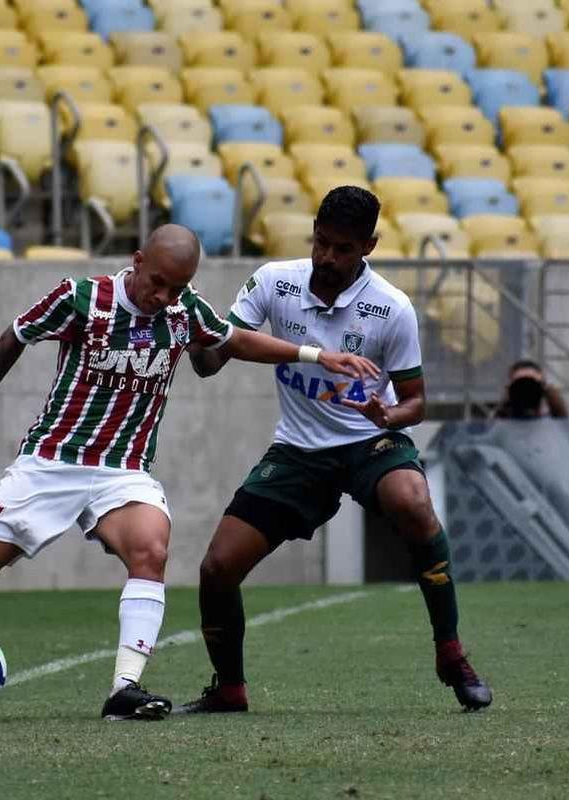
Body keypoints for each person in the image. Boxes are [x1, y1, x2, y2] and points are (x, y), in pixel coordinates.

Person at [0, 224, 378, 724]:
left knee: (152, 549)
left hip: (122, 471)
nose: (164, 297)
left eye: (177, 288)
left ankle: (124, 689)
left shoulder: (185, 311)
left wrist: (316, 355)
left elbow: (234, 341)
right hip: (53, 461)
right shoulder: (81, 298)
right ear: (138, 262)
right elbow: (16, 334)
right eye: (158, 283)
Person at [175, 186, 492, 715]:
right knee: (217, 569)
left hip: (371, 440)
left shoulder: (392, 308)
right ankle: (230, 690)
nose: (327, 257)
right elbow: (213, 360)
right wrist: (194, 335)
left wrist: (386, 416)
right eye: (321, 242)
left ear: (368, 245)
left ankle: (451, 653)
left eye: (342, 248)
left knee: (414, 503)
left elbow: (414, 403)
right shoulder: (276, 282)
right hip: (299, 451)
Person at [493, 359, 569, 419]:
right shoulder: (505, 426)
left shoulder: (552, 422)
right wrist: (505, 402)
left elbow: (566, 427)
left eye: (532, 383)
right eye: (520, 385)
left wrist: (552, 395)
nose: (527, 390)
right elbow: (492, 431)